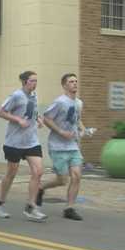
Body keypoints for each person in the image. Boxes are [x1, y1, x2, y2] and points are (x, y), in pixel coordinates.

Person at [0, 71, 47, 222]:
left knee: (38, 172)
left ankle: (31, 207)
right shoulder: (16, 95)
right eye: (32, 81)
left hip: (31, 141)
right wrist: (18, 120)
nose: (35, 83)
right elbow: (1, 112)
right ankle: (0, 202)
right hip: (14, 142)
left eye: (36, 81)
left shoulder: (34, 95)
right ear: (24, 82)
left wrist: (38, 119)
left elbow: (32, 111)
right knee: (11, 174)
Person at [37, 73, 86, 221]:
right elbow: (46, 118)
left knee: (77, 176)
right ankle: (40, 188)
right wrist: (61, 132)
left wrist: (83, 129)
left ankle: (69, 208)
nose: (75, 84)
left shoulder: (79, 103)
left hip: (72, 146)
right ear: (64, 85)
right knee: (62, 180)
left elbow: (77, 120)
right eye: (71, 82)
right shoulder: (59, 102)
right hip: (57, 146)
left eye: (76, 81)